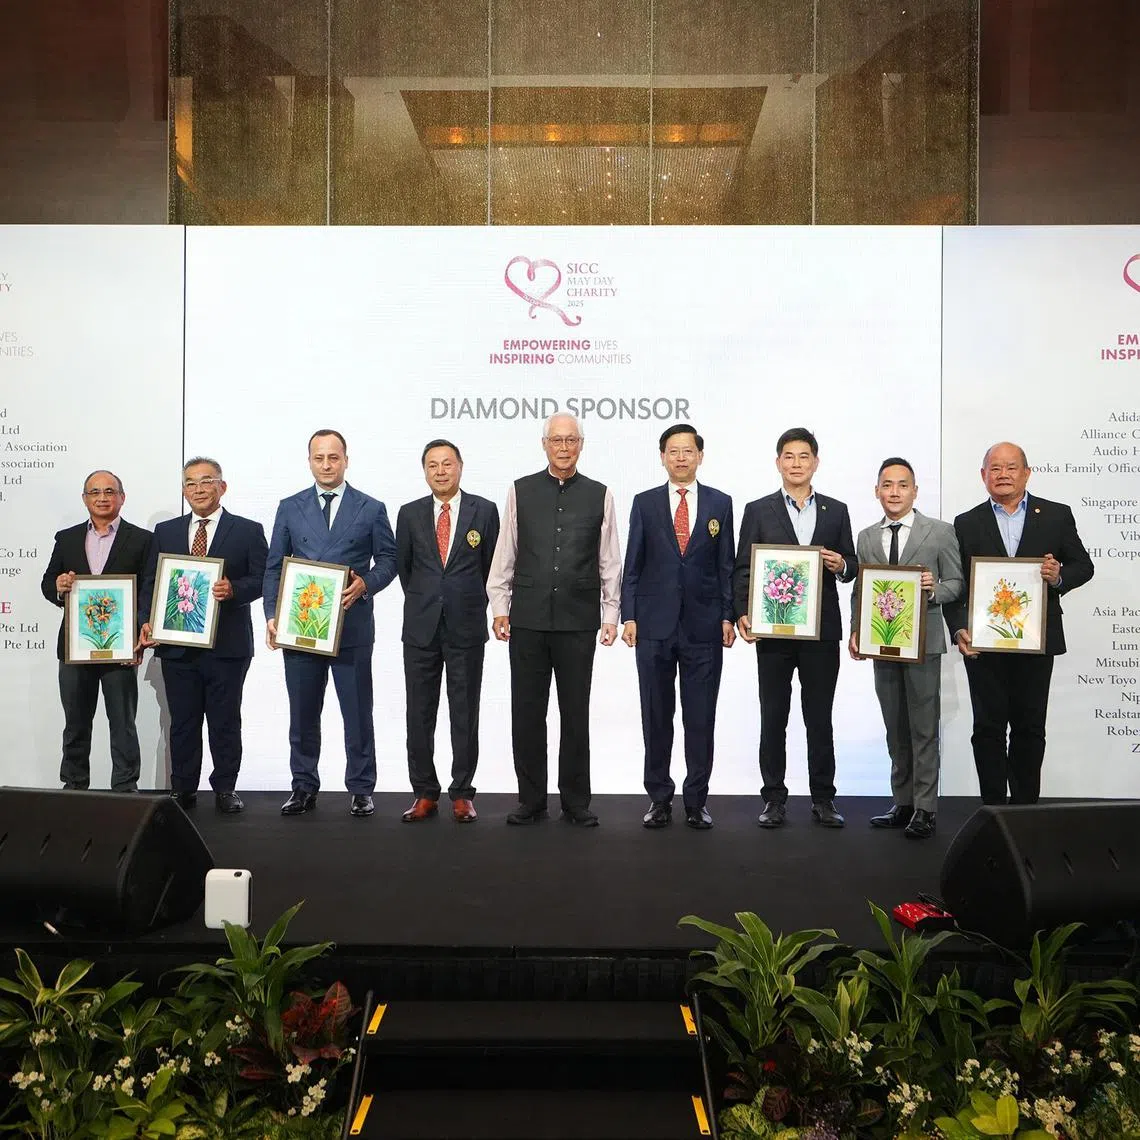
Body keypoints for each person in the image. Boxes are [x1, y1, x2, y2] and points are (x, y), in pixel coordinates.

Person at [487, 414, 621, 827]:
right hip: (527, 618)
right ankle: (531, 800)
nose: (564, 448)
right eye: (557, 440)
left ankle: (576, 802)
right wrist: (500, 606)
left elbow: (609, 559)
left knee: (575, 714)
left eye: (571, 440)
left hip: (578, 620)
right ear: (544, 444)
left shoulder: (600, 494)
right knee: (527, 713)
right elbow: (505, 552)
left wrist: (611, 613)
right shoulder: (520, 490)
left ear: (581, 445)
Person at [944, 441, 1094, 805]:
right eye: (995, 468)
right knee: (987, 729)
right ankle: (993, 809)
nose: (1003, 474)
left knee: (1030, 728)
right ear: (983, 475)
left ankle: (1026, 811)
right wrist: (959, 626)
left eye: (1011, 467)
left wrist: (1059, 576)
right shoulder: (966, 522)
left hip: (1037, 641)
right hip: (983, 644)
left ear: (1027, 473)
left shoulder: (1056, 515)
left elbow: (1083, 566)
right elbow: (956, 583)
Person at [264, 430, 397, 818]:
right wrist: (272, 615)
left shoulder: (371, 507)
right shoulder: (290, 507)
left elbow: (389, 560)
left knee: (357, 713)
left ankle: (361, 788)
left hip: (351, 626)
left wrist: (365, 584)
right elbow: (274, 566)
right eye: (319, 457)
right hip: (300, 625)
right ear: (309, 461)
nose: (326, 464)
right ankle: (303, 786)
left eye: (333, 457)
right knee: (303, 713)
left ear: (346, 461)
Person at [733, 428, 857, 829]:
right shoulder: (758, 510)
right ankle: (773, 799)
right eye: (789, 456)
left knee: (819, 717)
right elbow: (743, 568)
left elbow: (852, 563)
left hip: (822, 633)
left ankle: (823, 798)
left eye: (804, 456)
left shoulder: (836, 511)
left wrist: (842, 565)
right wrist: (742, 613)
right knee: (773, 716)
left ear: (816, 462)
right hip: (773, 631)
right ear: (778, 463)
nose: (796, 463)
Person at [621, 424, 735, 830]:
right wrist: (629, 615)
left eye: (688, 451)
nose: (681, 457)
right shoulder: (645, 503)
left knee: (701, 717)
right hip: (653, 625)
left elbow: (726, 566)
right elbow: (632, 565)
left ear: (700, 456)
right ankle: (659, 798)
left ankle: (696, 801)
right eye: (673, 451)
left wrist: (727, 615)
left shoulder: (721, 503)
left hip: (704, 627)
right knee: (656, 715)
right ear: (662, 457)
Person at [137, 458, 267, 813]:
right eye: (191, 483)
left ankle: (225, 788)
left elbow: (264, 578)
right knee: (183, 722)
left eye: (206, 481)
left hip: (228, 646)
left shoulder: (248, 530)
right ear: (184, 491)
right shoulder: (166, 531)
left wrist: (235, 589)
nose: (198, 489)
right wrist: (146, 620)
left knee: (225, 721)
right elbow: (151, 582)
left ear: (222, 487)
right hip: (177, 646)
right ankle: (183, 789)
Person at [847, 458, 963, 839]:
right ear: (877, 491)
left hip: (923, 644)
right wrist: (856, 630)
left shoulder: (940, 532)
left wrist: (933, 588)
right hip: (882, 643)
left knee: (923, 727)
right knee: (895, 727)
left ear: (915, 491)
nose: (894, 492)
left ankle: (925, 808)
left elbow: (957, 583)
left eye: (902, 485)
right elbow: (861, 590)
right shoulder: (866, 537)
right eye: (887, 485)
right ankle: (903, 802)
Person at [395, 439, 500, 823]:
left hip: (465, 626)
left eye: (447, 464)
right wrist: (429, 600)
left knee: (464, 712)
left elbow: (493, 568)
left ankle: (462, 793)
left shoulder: (484, 510)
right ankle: (424, 792)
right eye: (433, 465)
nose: (440, 471)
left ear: (460, 467)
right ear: (425, 470)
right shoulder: (409, 513)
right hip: (420, 628)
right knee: (418, 713)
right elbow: (406, 569)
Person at [41, 470, 152, 792]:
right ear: (84, 498)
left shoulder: (142, 539)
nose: (102, 498)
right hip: (75, 647)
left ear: (122, 497)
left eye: (109, 491)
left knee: (123, 723)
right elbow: (48, 584)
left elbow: (149, 589)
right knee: (75, 723)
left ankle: (126, 788)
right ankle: (74, 786)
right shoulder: (67, 538)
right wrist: (59, 585)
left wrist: (138, 632)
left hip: (121, 647)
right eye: (94, 492)